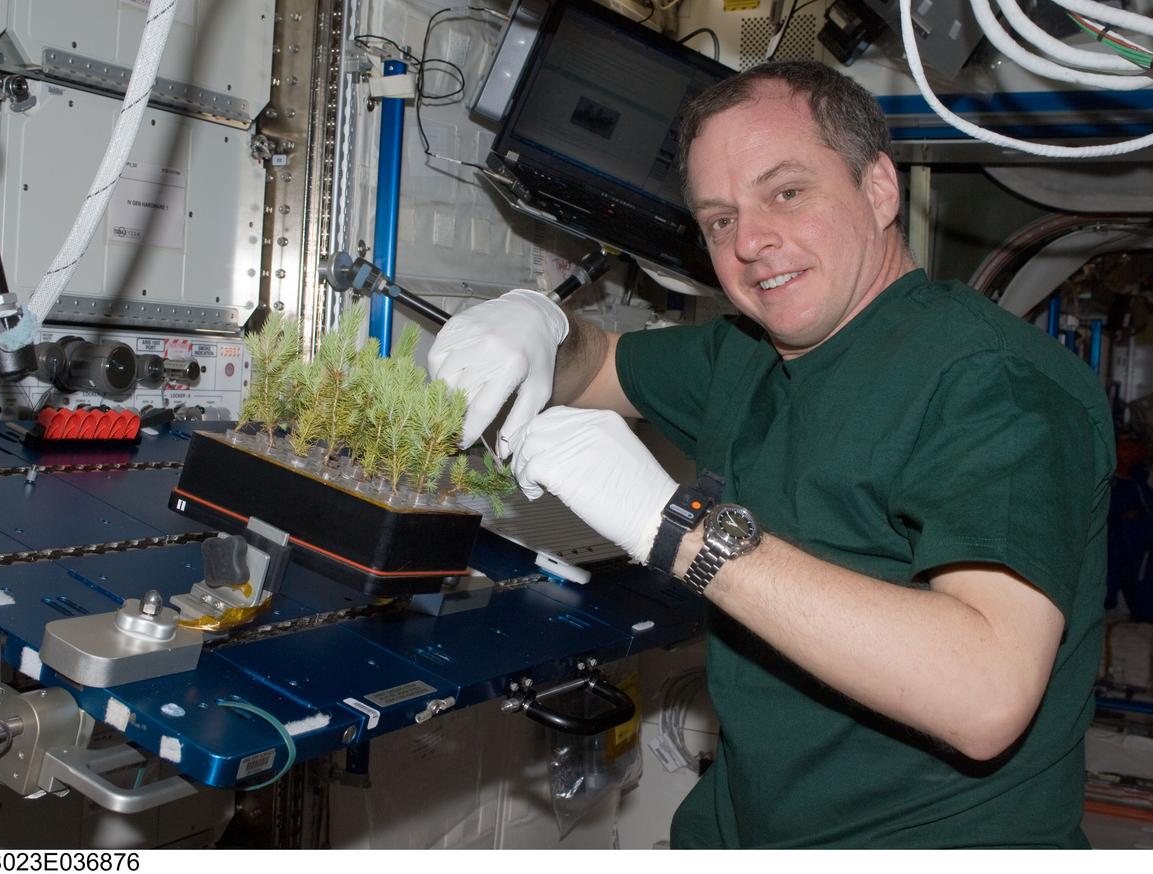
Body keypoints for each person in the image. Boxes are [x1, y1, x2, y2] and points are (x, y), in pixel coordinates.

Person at [428, 60, 1113, 848]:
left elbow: (986, 695)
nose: (751, 242)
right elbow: (597, 363)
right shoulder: (750, 355)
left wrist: (679, 528)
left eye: (787, 192)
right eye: (720, 220)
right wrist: (538, 326)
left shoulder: (995, 386)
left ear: (880, 188)